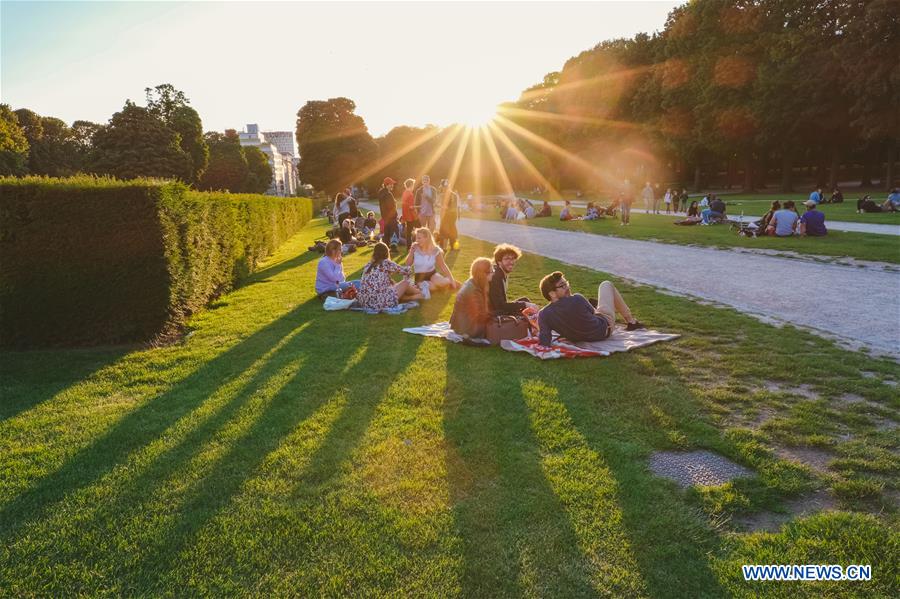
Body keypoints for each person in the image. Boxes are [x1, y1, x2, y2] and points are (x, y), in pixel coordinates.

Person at [536, 271, 644, 347]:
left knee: (590, 308)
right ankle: (631, 322)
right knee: (606, 284)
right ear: (552, 294)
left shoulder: (543, 314)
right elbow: (594, 314)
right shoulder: (577, 298)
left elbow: (545, 340)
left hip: (579, 337)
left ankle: (595, 304)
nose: (568, 287)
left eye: (566, 283)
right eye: (562, 286)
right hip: (604, 329)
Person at [358, 242, 421, 310]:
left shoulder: (368, 265)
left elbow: (388, 283)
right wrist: (412, 254)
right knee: (405, 283)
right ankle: (420, 292)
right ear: (386, 252)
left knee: (396, 285)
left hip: (365, 302)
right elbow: (406, 271)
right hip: (380, 302)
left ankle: (412, 293)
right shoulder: (385, 263)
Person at [404, 227, 458, 299]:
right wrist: (411, 251)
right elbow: (408, 264)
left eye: (419, 238)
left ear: (426, 238)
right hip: (420, 278)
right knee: (432, 287)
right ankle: (442, 286)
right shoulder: (415, 248)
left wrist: (451, 279)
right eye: (416, 238)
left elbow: (443, 266)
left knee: (441, 283)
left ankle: (452, 282)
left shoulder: (435, 250)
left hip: (432, 274)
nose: (417, 240)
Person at [449, 257, 495, 339]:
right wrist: (497, 314)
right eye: (491, 271)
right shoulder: (474, 289)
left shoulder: (473, 282)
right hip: (468, 328)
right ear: (483, 273)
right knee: (500, 328)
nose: (493, 273)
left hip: (461, 325)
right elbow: (480, 315)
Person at [488, 243, 537, 316]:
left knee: (525, 300)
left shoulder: (502, 274)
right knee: (525, 309)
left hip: (500, 309)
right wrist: (524, 305)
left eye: (513, 258)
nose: (511, 262)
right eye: (507, 258)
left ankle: (537, 323)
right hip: (494, 315)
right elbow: (500, 305)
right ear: (499, 261)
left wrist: (524, 304)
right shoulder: (495, 277)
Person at [438, 179, 461, 251]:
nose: (445, 188)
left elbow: (453, 207)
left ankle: (450, 246)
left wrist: (445, 208)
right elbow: (440, 204)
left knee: (449, 230)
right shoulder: (442, 195)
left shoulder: (453, 195)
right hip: (447, 214)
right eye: (444, 187)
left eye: (446, 187)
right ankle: (445, 247)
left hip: (450, 214)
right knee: (447, 230)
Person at [377, 177, 399, 249]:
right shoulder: (388, 194)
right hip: (391, 217)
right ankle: (393, 247)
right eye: (391, 184)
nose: (392, 185)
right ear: (387, 185)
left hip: (385, 217)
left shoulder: (381, 193)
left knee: (386, 233)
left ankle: (385, 248)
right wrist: (395, 214)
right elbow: (390, 206)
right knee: (394, 232)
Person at [401, 178, 418, 248]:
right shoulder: (410, 194)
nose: (413, 186)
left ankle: (409, 247)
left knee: (409, 232)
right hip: (411, 216)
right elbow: (411, 207)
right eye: (413, 185)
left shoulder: (405, 193)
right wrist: (418, 207)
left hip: (407, 216)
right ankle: (419, 245)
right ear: (411, 185)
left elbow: (405, 205)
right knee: (421, 229)